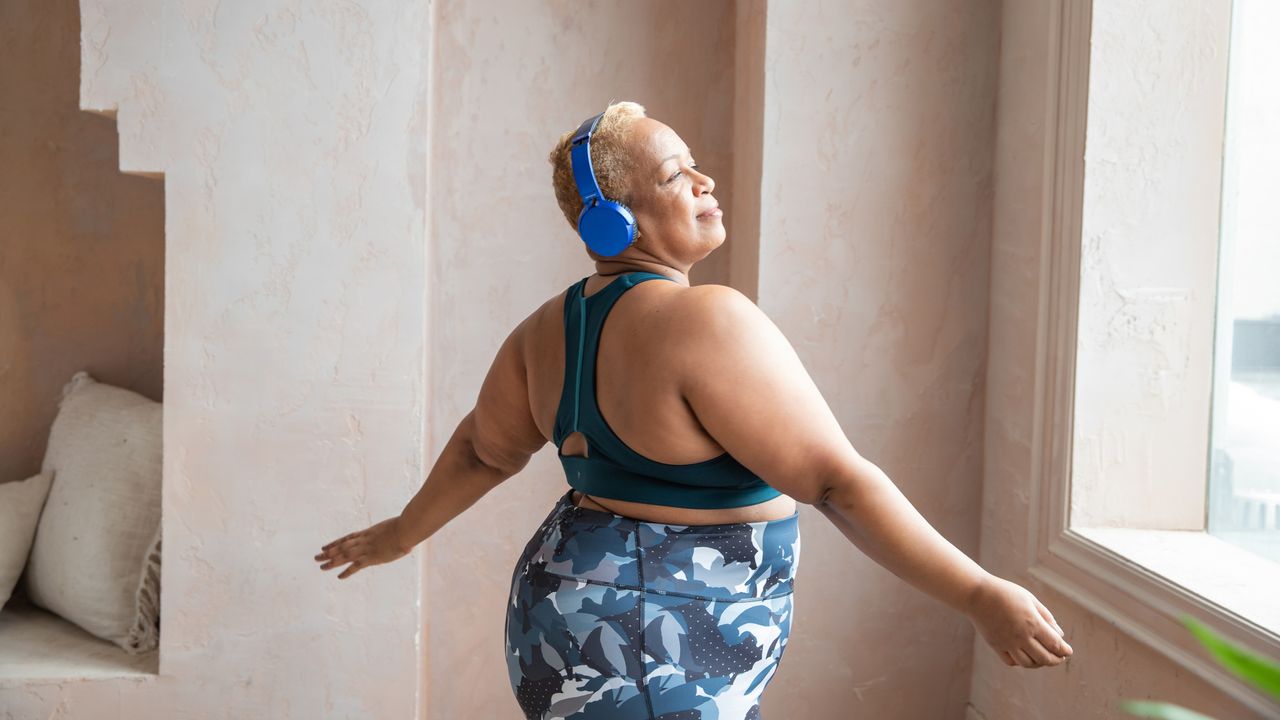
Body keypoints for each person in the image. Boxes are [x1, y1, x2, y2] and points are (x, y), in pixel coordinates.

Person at [315, 100, 1074, 718]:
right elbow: (838, 484)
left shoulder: (542, 332)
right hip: (650, 651)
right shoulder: (706, 320)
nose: (706, 181)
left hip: (565, 629)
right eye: (679, 174)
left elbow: (484, 451)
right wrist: (979, 594)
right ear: (616, 221)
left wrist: (401, 534)